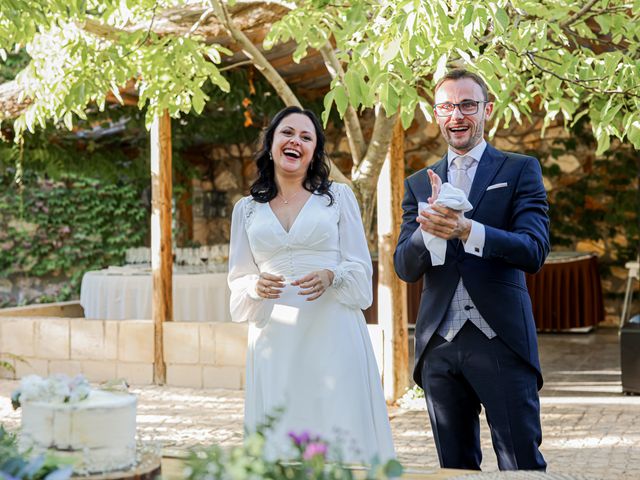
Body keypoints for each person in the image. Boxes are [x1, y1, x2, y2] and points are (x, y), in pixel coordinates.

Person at [394, 69, 549, 471]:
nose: (457, 115)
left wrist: (468, 230)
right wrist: (429, 233)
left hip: (501, 338)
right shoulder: (417, 184)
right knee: (454, 469)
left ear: (487, 110)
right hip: (438, 347)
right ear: (436, 114)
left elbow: (533, 250)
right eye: (447, 106)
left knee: (522, 466)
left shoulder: (519, 170)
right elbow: (405, 268)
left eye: (467, 105)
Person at [227, 106, 395, 463]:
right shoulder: (245, 210)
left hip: (332, 330)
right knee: (281, 427)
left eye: (307, 137)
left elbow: (360, 268)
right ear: (271, 142)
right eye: (287, 133)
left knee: (337, 425)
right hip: (274, 337)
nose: (296, 141)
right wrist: (255, 286)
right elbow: (239, 280)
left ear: (314, 151)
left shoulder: (337, 198)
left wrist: (331, 274)